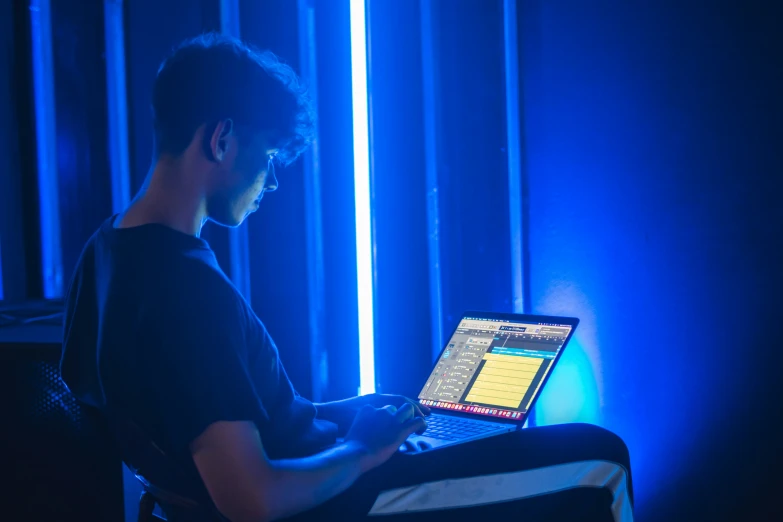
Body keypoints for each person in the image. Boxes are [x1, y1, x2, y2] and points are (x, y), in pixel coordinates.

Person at [61, 33, 634, 522]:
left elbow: (212, 417)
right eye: (269, 157)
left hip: (325, 466)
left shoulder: (105, 253)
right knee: (599, 458)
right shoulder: (188, 290)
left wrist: (349, 412)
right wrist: (362, 449)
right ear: (220, 139)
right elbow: (252, 497)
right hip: (344, 500)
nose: (272, 182)